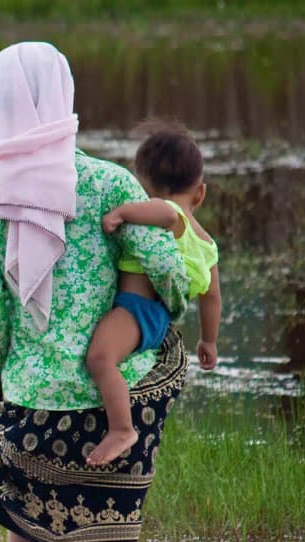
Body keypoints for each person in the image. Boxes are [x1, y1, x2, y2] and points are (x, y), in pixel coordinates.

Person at [0, 42, 190, 542]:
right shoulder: (112, 183)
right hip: (117, 398)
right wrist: (161, 314)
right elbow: (168, 267)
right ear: (66, 99)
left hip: (29, 401)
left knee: (25, 528)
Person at [85, 127, 222, 465]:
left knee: (100, 359)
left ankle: (121, 429)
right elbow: (212, 297)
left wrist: (122, 212)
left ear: (142, 185)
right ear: (200, 192)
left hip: (135, 311)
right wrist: (209, 341)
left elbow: (167, 212)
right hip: (156, 316)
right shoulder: (207, 244)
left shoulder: (166, 213)